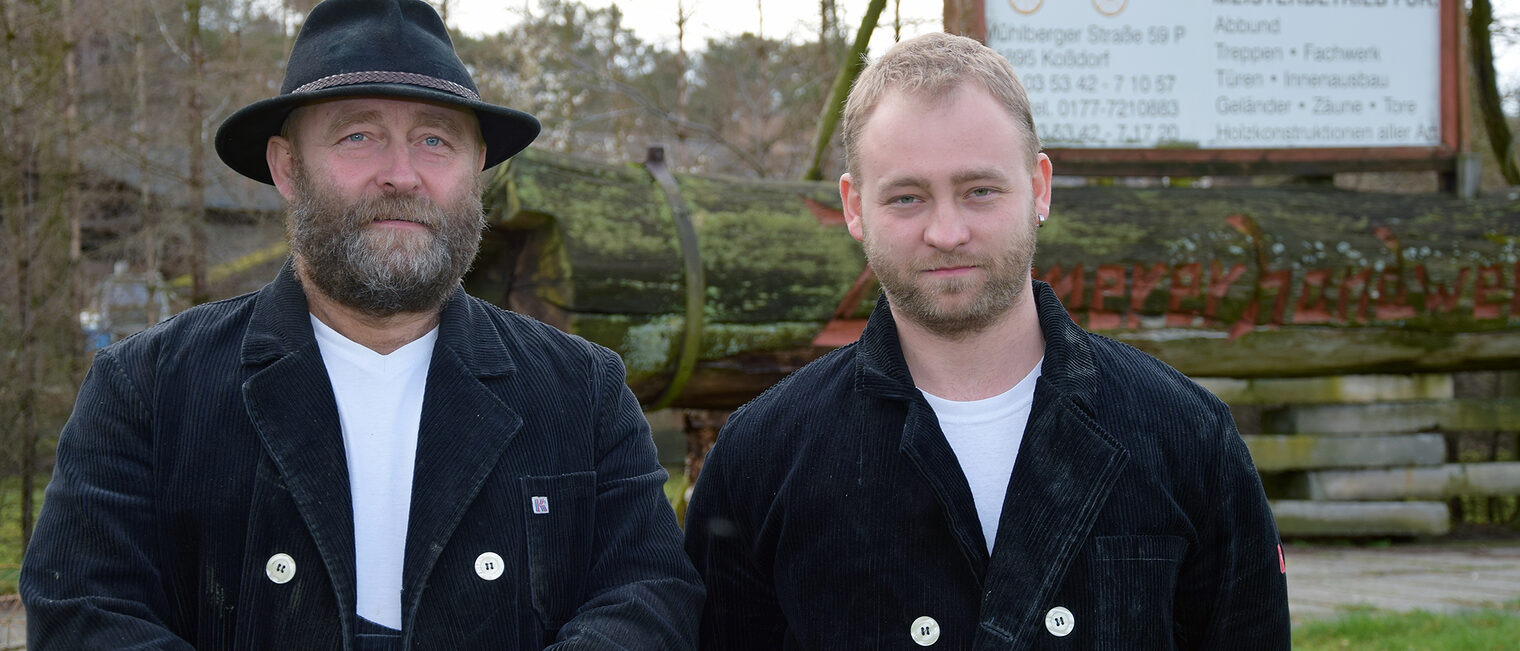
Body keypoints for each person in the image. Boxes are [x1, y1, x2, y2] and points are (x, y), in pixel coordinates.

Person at [21, 0, 702, 648]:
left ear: (477, 172)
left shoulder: (581, 393)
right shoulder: (147, 390)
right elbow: (86, 612)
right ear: (288, 168)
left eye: (435, 140)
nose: (400, 174)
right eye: (359, 135)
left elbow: (648, 597)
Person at [683, 32, 1289, 649]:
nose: (947, 232)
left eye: (980, 190)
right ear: (854, 206)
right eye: (907, 197)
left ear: (1040, 188)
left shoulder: (1187, 436)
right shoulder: (762, 456)